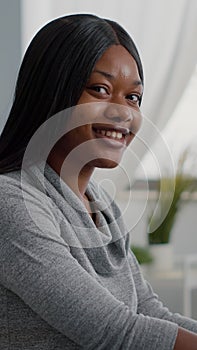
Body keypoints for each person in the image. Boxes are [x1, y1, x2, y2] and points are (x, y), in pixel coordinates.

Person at [0, 13, 197, 350]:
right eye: (100, 89)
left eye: (132, 97)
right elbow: (112, 331)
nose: (122, 112)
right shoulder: (12, 203)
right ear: (53, 92)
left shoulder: (103, 207)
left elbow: (147, 309)